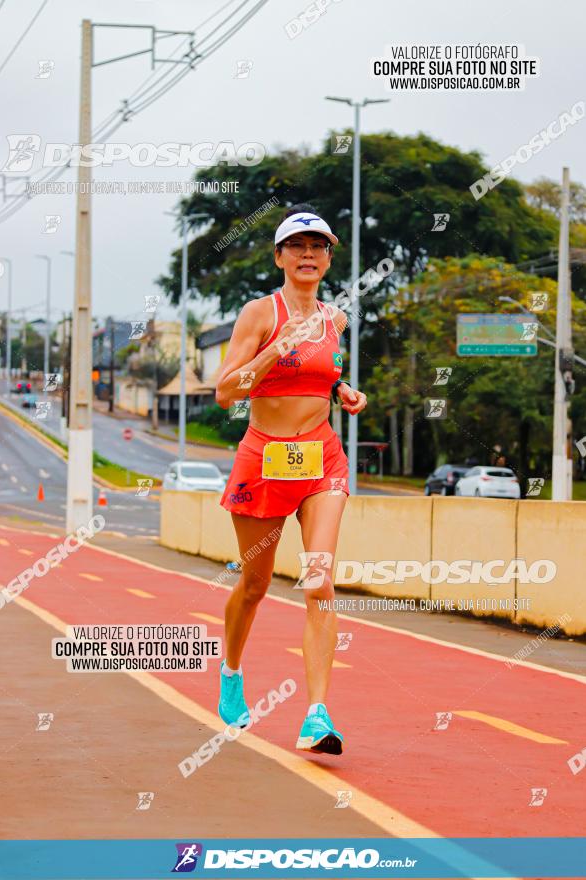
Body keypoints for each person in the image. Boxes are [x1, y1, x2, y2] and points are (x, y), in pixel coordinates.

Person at [215, 204, 367, 755]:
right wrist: (275, 349)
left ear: (328, 258)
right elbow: (227, 391)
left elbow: (328, 376)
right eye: (298, 246)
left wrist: (344, 394)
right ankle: (231, 672)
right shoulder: (259, 313)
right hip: (264, 461)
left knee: (319, 580)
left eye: (319, 246)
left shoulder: (337, 319)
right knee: (254, 587)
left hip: (321, 460)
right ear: (279, 256)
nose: (309, 254)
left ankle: (317, 714)